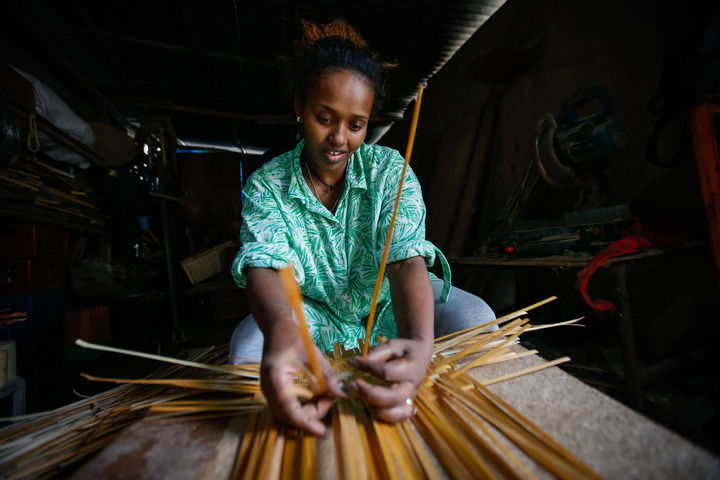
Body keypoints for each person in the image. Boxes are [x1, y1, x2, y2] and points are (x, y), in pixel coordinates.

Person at [230, 18, 495, 435]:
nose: (339, 137)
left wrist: (419, 341)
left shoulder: (390, 171)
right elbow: (265, 266)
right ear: (299, 105)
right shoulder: (267, 184)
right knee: (247, 348)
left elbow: (408, 264)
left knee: (478, 318)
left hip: (389, 305)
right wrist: (282, 331)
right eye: (324, 117)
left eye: (355, 124)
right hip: (309, 313)